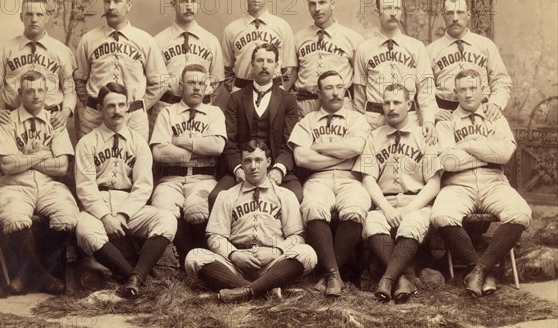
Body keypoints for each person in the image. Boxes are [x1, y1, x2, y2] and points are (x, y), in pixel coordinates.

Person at [431, 69, 531, 297]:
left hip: (493, 180)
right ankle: (485, 272)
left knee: (521, 212)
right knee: (441, 216)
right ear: (455, 93)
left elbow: (505, 154)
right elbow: (448, 161)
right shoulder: (447, 120)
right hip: (458, 184)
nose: (468, 94)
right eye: (463, 89)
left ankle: (477, 270)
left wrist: (466, 144)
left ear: (483, 90)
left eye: (473, 88)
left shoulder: (495, 117)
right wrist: (487, 150)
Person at [75, 82, 176, 299]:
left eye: (122, 105)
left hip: (129, 203)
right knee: (84, 230)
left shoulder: (138, 142)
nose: (117, 111)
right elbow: (84, 187)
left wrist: (122, 215)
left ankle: (134, 279)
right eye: (111, 106)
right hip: (98, 202)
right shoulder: (87, 142)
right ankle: (135, 278)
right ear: (101, 109)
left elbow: (143, 186)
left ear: (128, 107)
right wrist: (105, 217)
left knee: (167, 220)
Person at [185, 140, 317, 303]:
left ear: (268, 162)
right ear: (241, 164)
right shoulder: (227, 196)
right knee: (194, 257)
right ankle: (264, 291)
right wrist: (234, 254)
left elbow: (297, 236)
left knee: (307, 253)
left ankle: (244, 292)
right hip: (236, 264)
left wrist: (275, 252)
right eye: (247, 161)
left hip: (272, 263)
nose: (253, 166)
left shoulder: (285, 195)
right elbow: (215, 237)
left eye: (258, 160)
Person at [0, 71, 78, 294]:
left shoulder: (55, 120)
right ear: (20, 93)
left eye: (40, 90)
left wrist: (24, 159)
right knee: (15, 218)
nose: (36, 96)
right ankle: (41, 274)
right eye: (30, 91)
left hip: (49, 184)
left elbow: (62, 167)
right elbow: (7, 166)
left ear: (46, 91)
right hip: (14, 184)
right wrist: (42, 154)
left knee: (68, 216)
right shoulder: (6, 120)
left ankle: (29, 272)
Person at [353, 84, 441, 303]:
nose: (391, 108)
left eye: (397, 102)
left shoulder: (424, 135)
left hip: (416, 201)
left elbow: (434, 182)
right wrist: (387, 208)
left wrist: (409, 209)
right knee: (373, 224)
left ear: (409, 105)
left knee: (411, 225)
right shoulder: (373, 137)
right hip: (384, 202)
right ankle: (401, 278)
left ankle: (387, 279)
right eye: (386, 102)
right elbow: (367, 178)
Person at [289, 70, 371, 297]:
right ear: (318, 92)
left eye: (339, 87)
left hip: (350, 178)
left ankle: (328, 275)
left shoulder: (357, 118)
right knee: (313, 207)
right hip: (318, 179)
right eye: (328, 88)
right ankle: (335, 275)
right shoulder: (307, 121)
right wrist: (340, 154)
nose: (335, 93)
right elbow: (301, 158)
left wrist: (318, 147)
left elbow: (355, 147)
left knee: (355, 209)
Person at [208, 42, 302, 209]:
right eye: (259, 61)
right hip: (242, 167)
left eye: (270, 61)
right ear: (252, 65)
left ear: (277, 66)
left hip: (275, 167)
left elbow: (290, 142)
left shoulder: (288, 100)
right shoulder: (236, 99)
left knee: (296, 197)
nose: (264, 66)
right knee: (216, 198)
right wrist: (238, 168)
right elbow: (229, 141)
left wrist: (279, 169)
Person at [150, 64, 227, 262]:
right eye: (191, 83)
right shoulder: (167, 113)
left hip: (203, 177)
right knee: (162, 209)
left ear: (206, 87)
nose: (197, 88)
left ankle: (197, 258)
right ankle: (172, 260)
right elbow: (158, 152)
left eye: (201, 83)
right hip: (170, 178)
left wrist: (180, 142)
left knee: (197, 210)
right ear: (181, 85)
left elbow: (217, 147)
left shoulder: (215, 113)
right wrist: (197, 151)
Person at [74, 0, 168, 140]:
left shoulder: (144, 40)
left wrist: (138, 105)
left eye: (117, 1)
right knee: (92, 159)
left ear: (129, 5)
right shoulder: (88, 40)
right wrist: (93, 105)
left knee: (135, 160)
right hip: (95, 116)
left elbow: (161, 81)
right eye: (107, 1)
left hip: (133, 117)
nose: (111, 7)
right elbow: (79, 79)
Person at [0, 0, 77, 131]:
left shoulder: (61, 50)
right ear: (21, 17)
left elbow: (70, 89)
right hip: (13, 119)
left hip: (50, 119)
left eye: (39, 14)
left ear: (47, 18)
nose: (34, 19)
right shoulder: (6, 49)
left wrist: (65, 112)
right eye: (29, 14)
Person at [354, 0, 437, 143]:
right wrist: (359, 125)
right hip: (374, 121)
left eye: (397, 8)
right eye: (387, 8)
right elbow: (359, 95)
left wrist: (429, 120)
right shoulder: (364, 48)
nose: (393, 12)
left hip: (409, 119)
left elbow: (426, 89)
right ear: (377, 12)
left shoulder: (416, 47)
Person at [151, 0, 225, 131]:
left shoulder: (211, 41)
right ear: (173, 4)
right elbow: (152, 81)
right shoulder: (158, 41)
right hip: (167, 108)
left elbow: (217, 82)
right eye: (184, 1)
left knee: (203, 152)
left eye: (193, 1)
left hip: (201, 110)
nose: (189, 6)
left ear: (198, 4)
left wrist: (201, 102)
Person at [427, 0, 512, 121]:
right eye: (450, 13)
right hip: (446, 114)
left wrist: (495, 103)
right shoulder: (431, 50)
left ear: (468, 14)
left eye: (460, 12)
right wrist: (433, 111)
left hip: (482, 110)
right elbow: (424, 88)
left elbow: (501, 80)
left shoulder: (486, 45)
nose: (455, 18)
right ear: (443, 15)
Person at [294, 0, 363, 117]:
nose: (317, 8)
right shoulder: (298, 38)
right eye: (312, 4)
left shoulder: (353, 38)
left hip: (340, 104)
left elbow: (360, 82)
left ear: (332, 4)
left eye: (322, 2)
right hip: (305, 105)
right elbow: (291, 75)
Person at [221, 0, 297, 93]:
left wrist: (280, 94)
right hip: (242, 87)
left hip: (274, 87)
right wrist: (236, 93)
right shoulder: (231, 29)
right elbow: (225, 70)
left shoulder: (282, 26)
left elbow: (290, 70)